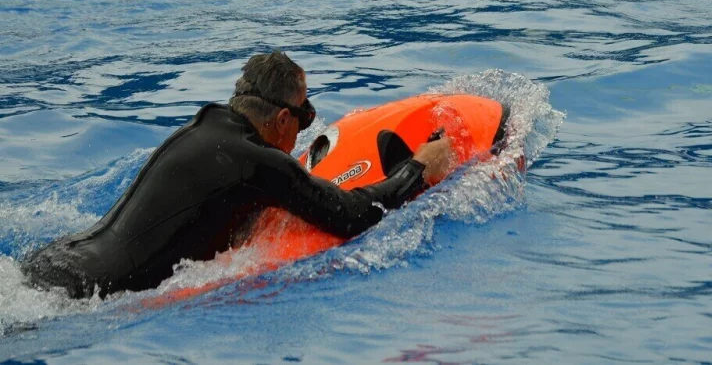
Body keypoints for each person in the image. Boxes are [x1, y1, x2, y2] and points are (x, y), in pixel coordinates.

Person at [21, 51, 452, 299]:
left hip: (53, 260)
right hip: (83, 295)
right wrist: (418, 168)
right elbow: (351, 216)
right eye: (306, 118)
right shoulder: (258, 161)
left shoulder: (206, 125)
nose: (304, 131)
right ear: (283, 118)